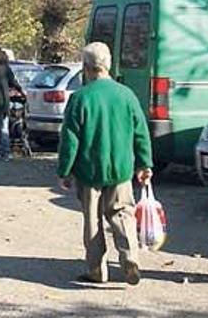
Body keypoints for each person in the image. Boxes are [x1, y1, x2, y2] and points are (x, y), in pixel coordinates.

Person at [57, 42, 153, 285]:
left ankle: (96, 269)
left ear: (86, 67)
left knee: (92, 220)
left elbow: (70, 140)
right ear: (108, 64)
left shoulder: (79, 99)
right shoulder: (127, 95)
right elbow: (141, 133)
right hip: (120, 169)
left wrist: (64, 171)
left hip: (89, 171)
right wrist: (144, 164)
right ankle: (130, 256)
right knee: (122, 214)